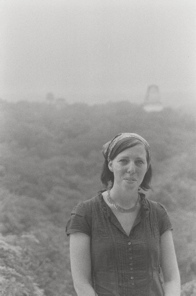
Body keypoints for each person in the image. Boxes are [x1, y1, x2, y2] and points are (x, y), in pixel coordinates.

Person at [66, 133, 181, 296]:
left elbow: (172, 278)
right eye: (124, 160)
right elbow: (82, 283)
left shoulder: (158, 214)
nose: (132, 169)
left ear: (147, 166)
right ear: (111, 164)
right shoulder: (85, 214)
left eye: (139, 161)